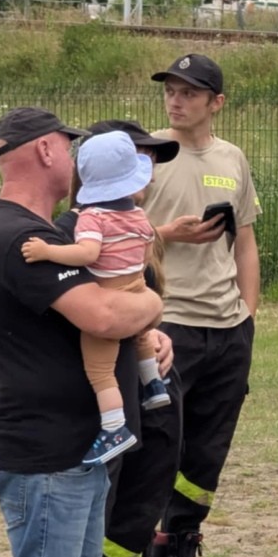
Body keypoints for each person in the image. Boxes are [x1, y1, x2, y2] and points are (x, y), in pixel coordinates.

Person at [0, 106, 163, 557]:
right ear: (49, 152)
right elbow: (107, 318)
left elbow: (113, 307)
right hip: (45, 446)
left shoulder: (48, 231)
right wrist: (156, 307)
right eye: (70, 145)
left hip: (76, 442)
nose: (79, 160)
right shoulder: (18, 238)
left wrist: (148, 330)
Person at [52, 120, 184, 557]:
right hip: (100, 405)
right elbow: (89, 314)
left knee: (137, 513)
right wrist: (144, 317)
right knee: (96, 523)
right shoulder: (77, 228)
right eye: (143, 159)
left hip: (148, 394)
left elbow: (139, 305)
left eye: (155, 160)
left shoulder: (135, 227)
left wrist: (158, 335)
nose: (150, 172)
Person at [139, 53, 261, 557]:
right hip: (167, 328)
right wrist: (167, 233)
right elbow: (107, 232)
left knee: (203, 460)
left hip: (227, 329)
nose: (176, 99)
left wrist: (249, 316)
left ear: (217, 103)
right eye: (171, 89)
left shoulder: (232, 157)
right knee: (151, 455)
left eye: (191, 92)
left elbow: (246, 243)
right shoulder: (146, 153)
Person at [21, 130, 171, 465]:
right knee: (142, 334)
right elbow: (148, 248)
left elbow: (88, 254)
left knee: (101, 370)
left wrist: (48, 251)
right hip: (137, 287)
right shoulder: (139, 216)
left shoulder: (91, 217)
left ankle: (114, 427)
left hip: (110, 297)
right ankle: (154, 384)